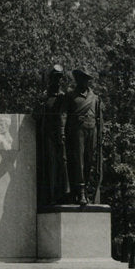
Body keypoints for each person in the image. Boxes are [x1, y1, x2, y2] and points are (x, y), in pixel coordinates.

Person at [65, 68, 103, 206]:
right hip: (77, 130)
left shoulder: (95, 98)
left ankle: (85, 188)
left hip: (92, 130)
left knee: (89, 161)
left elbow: (99, 119)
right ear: (77, 79)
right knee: (78, 161)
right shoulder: (70, 96)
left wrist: (100, 136)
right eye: (82, 78)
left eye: (87, 78)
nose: (85, 81)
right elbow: (64, 116)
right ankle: (80, 190)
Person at [37, 64, 69, 206]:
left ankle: (64, 194)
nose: (57, 81)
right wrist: (41, 101)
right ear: (50, 79)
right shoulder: (45, 98)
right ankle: (50, 196)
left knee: (63, 164)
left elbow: (67, 116)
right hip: (48, 136)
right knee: (50, 166)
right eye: (55, 78)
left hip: (62, 136)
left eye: (60, 78)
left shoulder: (64, 97)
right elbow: (35, 116)